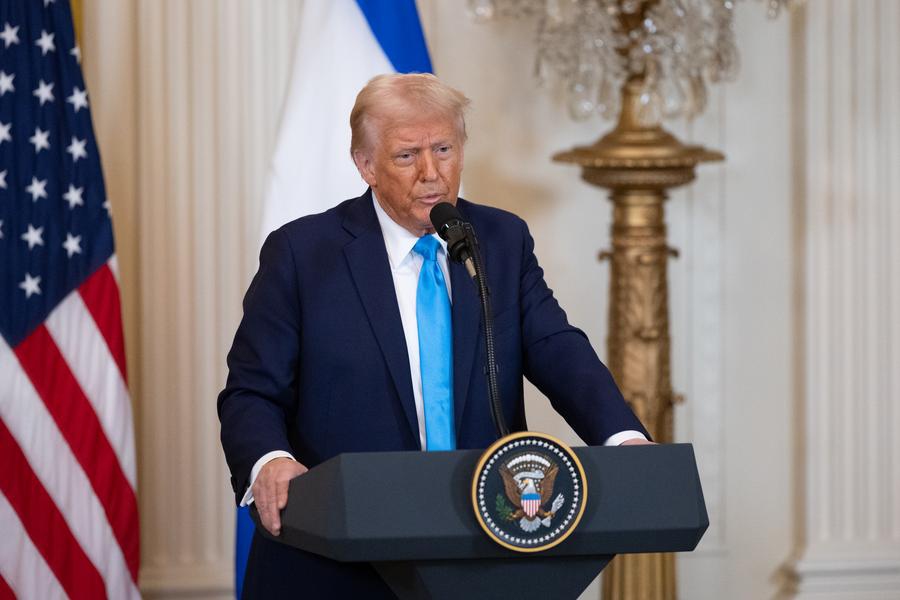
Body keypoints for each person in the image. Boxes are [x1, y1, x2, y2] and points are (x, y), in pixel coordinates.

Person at [218, 73, 650, 599]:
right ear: (365, 165)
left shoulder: (499, 239)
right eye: (407, 156)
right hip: (339, 559)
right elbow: (251, 391)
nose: (432, 173)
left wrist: (623, 439)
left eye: (444, 148)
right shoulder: (303, 253)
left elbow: (555, 347)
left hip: (481, 545)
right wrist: (271, 459)